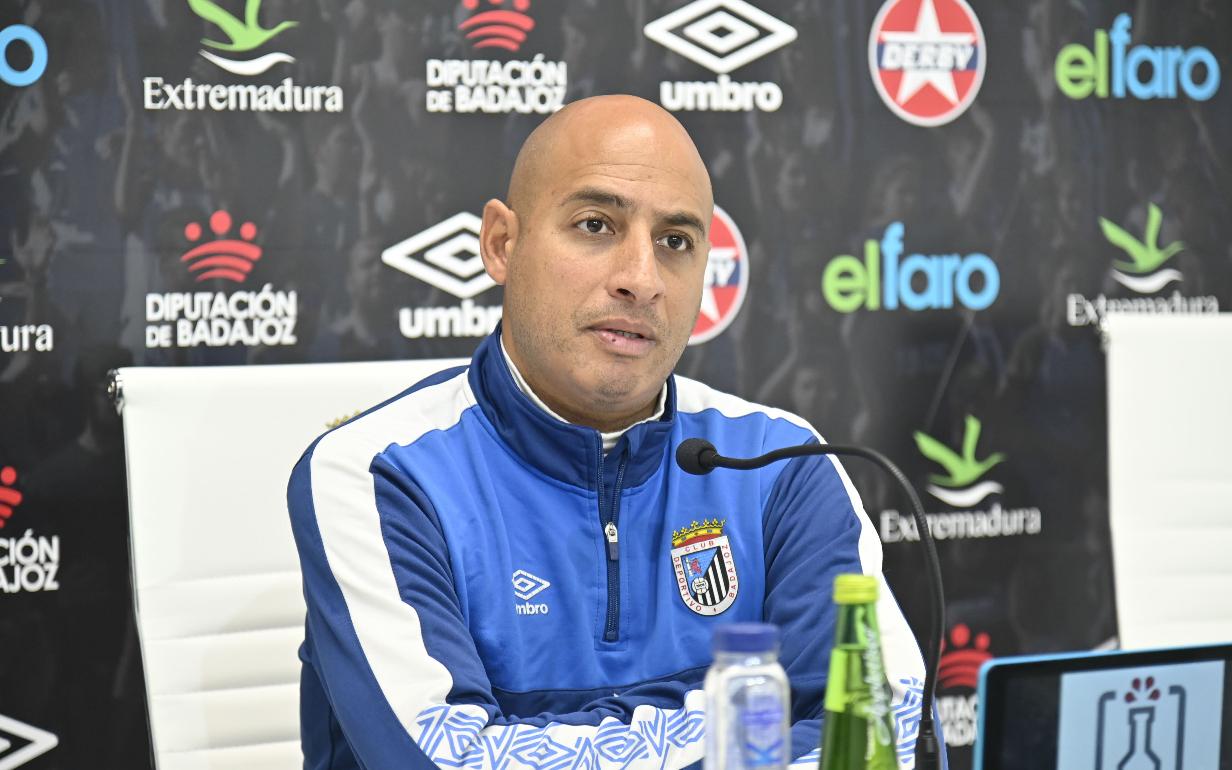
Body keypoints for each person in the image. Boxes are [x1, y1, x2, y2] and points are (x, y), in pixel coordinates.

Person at [288, 95, 931, 770]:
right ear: (502, 245)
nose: (641, 280)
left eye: (675, 242)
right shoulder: (379, 472)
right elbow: (446, 760)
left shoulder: (782, 466)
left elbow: (882, 734)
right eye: (596, 225)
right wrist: (747, 743)